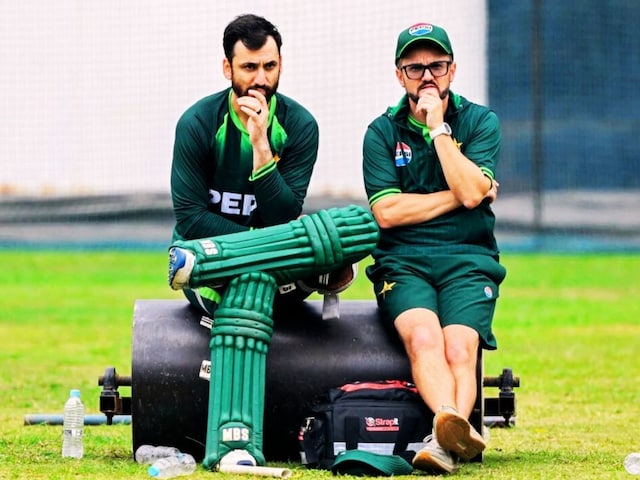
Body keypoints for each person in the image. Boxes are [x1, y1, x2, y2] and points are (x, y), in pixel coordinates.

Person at [362, 23, 506, 474]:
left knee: (460, 347)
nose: (427, 76)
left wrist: (438, 129)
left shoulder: (479, 121)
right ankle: (452, 433)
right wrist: (465, 193)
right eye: (415, 68)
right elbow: (388, 213)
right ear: (399, 75)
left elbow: (471, 192)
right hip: (403, 261)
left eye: (437, 66)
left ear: (452, 70)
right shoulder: (381, 132)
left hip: (469, 258)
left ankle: (442, 441)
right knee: (424, 339)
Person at [170, 13, 349, 317]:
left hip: (273, 257)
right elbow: (191, 219)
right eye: (249, 67)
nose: (261, 80)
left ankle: (309, 273)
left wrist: (261, 146)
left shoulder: (300, 125)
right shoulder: (197, 122)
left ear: (281, 64)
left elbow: (283, 214)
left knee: (325, 239)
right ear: (227, 68)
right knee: (242, 308)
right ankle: (311, 273)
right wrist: (263, 244)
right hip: (211, 254)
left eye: (270, 66)